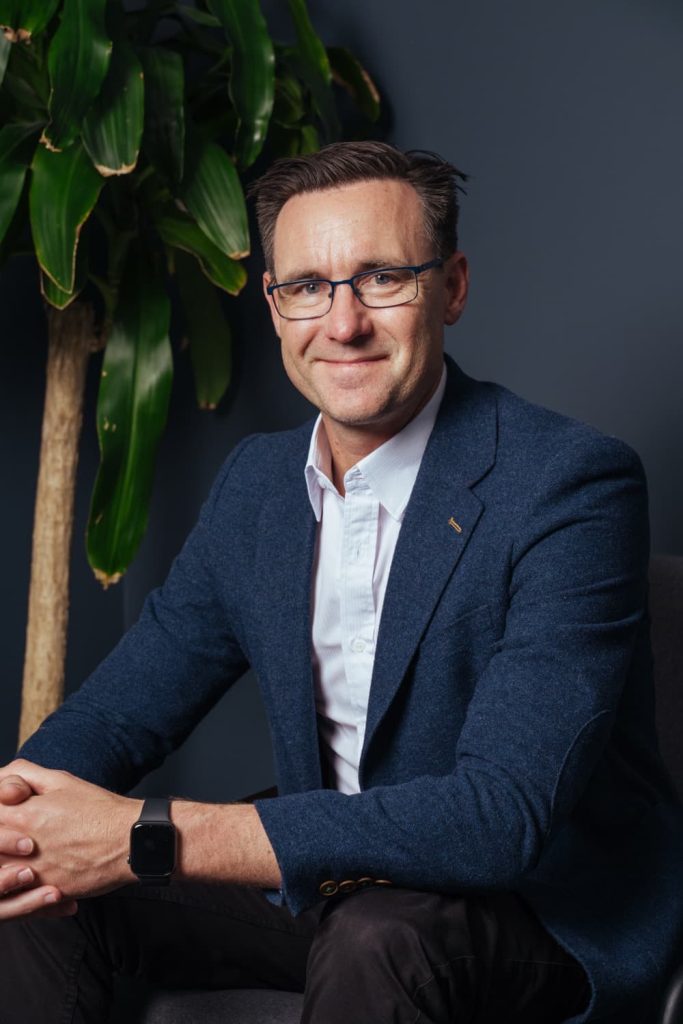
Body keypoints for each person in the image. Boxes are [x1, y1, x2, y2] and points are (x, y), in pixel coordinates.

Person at [0, 141, 680, 1024]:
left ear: (452, 287)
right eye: (307, 287)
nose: (343, 322)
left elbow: (498, 819)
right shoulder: (258, 485)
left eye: (383, 278)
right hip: (329, 875)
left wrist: (147, 836)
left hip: (535, 902)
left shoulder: (569, 483)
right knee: (31, 886)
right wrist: (19, 817)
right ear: (274, 305)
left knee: (377, 937)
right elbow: (120, 714)